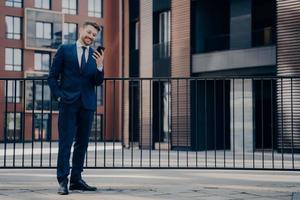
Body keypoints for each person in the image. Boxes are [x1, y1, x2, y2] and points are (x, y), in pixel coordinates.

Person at [48, 21, 104, 195]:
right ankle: (63, 181)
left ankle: (76, 180)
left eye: (94, 35)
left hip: (87, 104)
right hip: (68, 103)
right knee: (65, 143)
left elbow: (97, 82)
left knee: (82, 144)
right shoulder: (65, 50)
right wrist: (58, 95)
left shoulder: (95, 55)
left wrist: (100, 66)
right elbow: (52, 76)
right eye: (89, 33)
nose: (91, 37)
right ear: (82, 31)